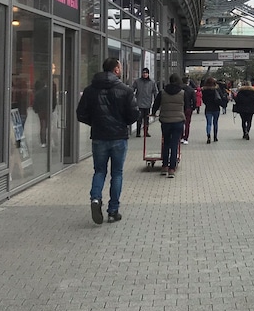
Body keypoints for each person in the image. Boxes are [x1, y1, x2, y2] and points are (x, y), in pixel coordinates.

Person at [76, 57, 138, 224]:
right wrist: (123, 123)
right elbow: (134, 114)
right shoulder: (125, 90)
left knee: (99, 171)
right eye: (120, 67)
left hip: (99, 137)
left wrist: (96, 123)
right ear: (116, 70)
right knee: (117, 173)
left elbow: (80, 113)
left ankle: (95, 198)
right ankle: (113, 211)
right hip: (118, 137)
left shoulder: (90, 90)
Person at [151, 75, 185, 177]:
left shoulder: (162, 92)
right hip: (178, 121)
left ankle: (164, 166)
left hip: (165, 121)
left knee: (166, 143)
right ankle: (172, 169)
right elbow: (188, 105)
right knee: (174, 145)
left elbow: (156, 104)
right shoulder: (182, 93)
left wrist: (153, 113)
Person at [131, 67, 159, 137]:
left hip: (148, 103)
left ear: (148, 74)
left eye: (146, 73)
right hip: (139, 102)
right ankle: (138, 132)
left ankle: (146, 132)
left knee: (146, 119)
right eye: (144, 73)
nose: (145, 74)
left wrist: (156, 100)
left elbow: (155, 91)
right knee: (139, 118)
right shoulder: (137, 81)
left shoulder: (152, 82)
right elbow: (132, 89)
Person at [32, 76, 56, 147]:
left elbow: (35, 103)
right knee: (49, 125)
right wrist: (53, 108)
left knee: (42, 125)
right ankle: (49, 139)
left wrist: (36, 110)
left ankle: (43, 142)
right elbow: (54, 100)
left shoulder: (38, 93)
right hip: (48, 110)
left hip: (41, 111)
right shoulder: (50, 91)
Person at [200, 77, 223, 144]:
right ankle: (215, 137)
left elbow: (203, 100)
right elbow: (221, 97)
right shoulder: (217, 89)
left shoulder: (204, 90)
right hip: (216, 108)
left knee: (208, 123)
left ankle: (208, 136)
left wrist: (207, 103)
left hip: (208, 108)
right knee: (215, 123)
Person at [181, 76, 197, 144]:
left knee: (180, 123)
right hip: (188, 108)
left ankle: (181, 137)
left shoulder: (179, 89)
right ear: (188, 82)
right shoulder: (191, 89)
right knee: (187, 124)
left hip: (180, 108)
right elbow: (194, 99)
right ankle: (186, 138)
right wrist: (193, 107)